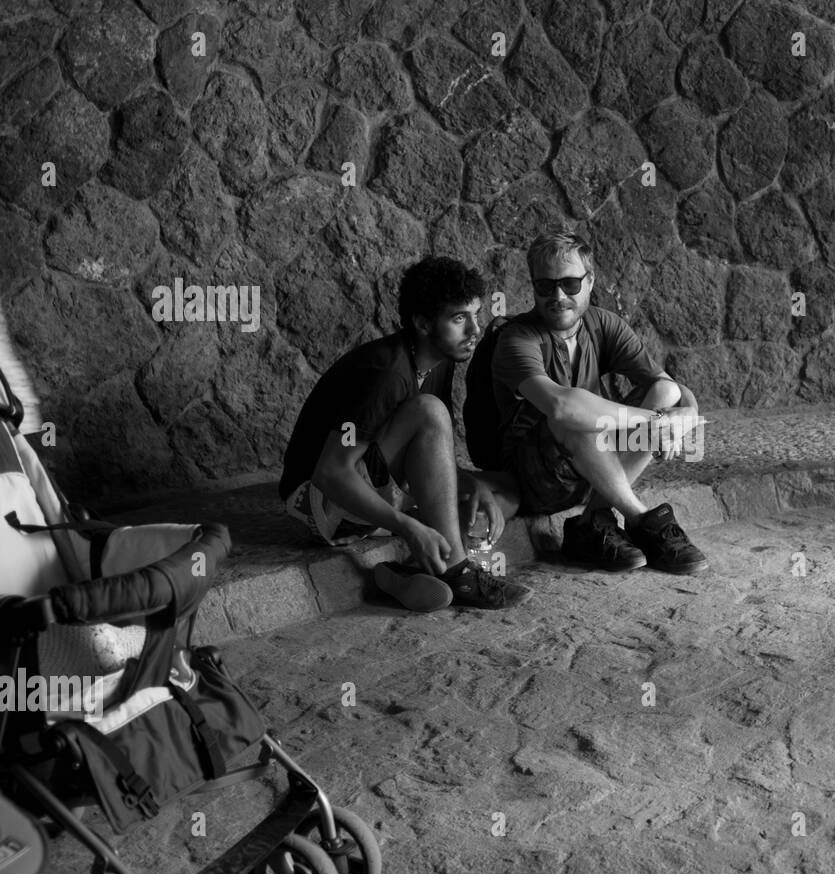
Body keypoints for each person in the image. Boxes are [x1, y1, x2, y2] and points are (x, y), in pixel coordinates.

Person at [279, 256, 531, 609]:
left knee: (504, 494)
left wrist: (474, 486)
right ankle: (457, 573)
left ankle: (406, 573)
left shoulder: (437, 363)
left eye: (476, 314)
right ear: (423, 323)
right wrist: (407, 528)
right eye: (459, 318)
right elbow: (331, 471)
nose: (475, 329)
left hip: (373, 487)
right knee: (429, 411)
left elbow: (427, 452)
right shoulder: (387, 373)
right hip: (319, 503)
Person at [488, 231, 709, 574]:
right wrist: (655, 423)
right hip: (534, 479)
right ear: (532, 286)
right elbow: (562, 408)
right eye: (545, 286)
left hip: (595, 466)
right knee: (574, 412)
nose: (558, 296)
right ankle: (641, 520)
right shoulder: (517, 338)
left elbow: (666, 384)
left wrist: (686, 414)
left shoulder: (603, 323)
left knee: (665, 394)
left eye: (570, 284)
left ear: (590, 281)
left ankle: (594, 520)